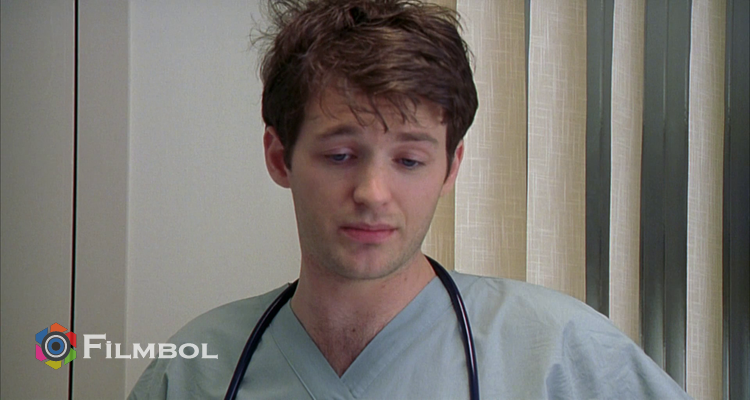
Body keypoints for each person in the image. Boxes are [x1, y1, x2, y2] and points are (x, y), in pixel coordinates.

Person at [129, 0, 691, 398]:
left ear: (451, 168)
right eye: (340, 155)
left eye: (410, 160)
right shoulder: (197, 369)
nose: (373, 194)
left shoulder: (559, 353)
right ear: (280, 158)